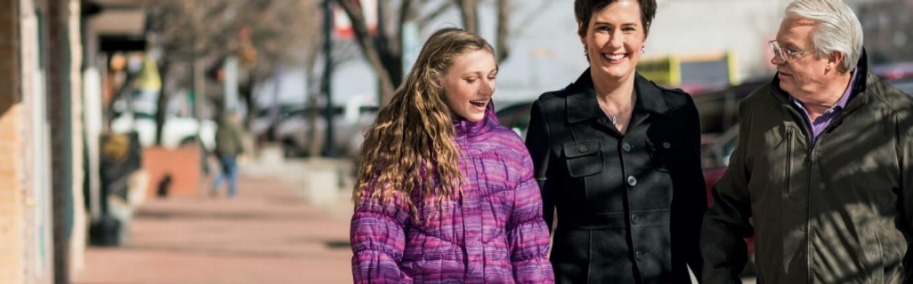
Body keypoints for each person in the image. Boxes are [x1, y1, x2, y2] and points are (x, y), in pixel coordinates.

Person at [701, 0, 913, 282]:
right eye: (777, 47)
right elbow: (726, 214)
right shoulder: (759, 111)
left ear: (833, 58)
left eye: (790, 51)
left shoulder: (897, 117)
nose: (777, 59)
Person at [350, 28, 553, 283]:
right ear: (438, 80)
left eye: (491, 76)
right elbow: (376, 246)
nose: (486, 89)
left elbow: (529, 250)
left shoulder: (510, 149)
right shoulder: (402, 146)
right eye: (471, 79)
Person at [524, 0, 706, 283]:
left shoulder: (677, 113)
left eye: (628, 28)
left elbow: (693, 219)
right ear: (583, 32)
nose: (615, 42)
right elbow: (534, 226)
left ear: (644, 33)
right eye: (603, 28)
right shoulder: (552, 115)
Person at [211, 111, 245, 199]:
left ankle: (215, 185)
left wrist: (216, 151)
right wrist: (241, 150)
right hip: (230, 152)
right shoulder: (234, 126)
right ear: (234, 117)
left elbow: (215, 138)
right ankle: (231, 192)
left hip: (221, 152)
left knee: (226, 171)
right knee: (233, 171)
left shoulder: (220, 125)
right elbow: (237, 139)